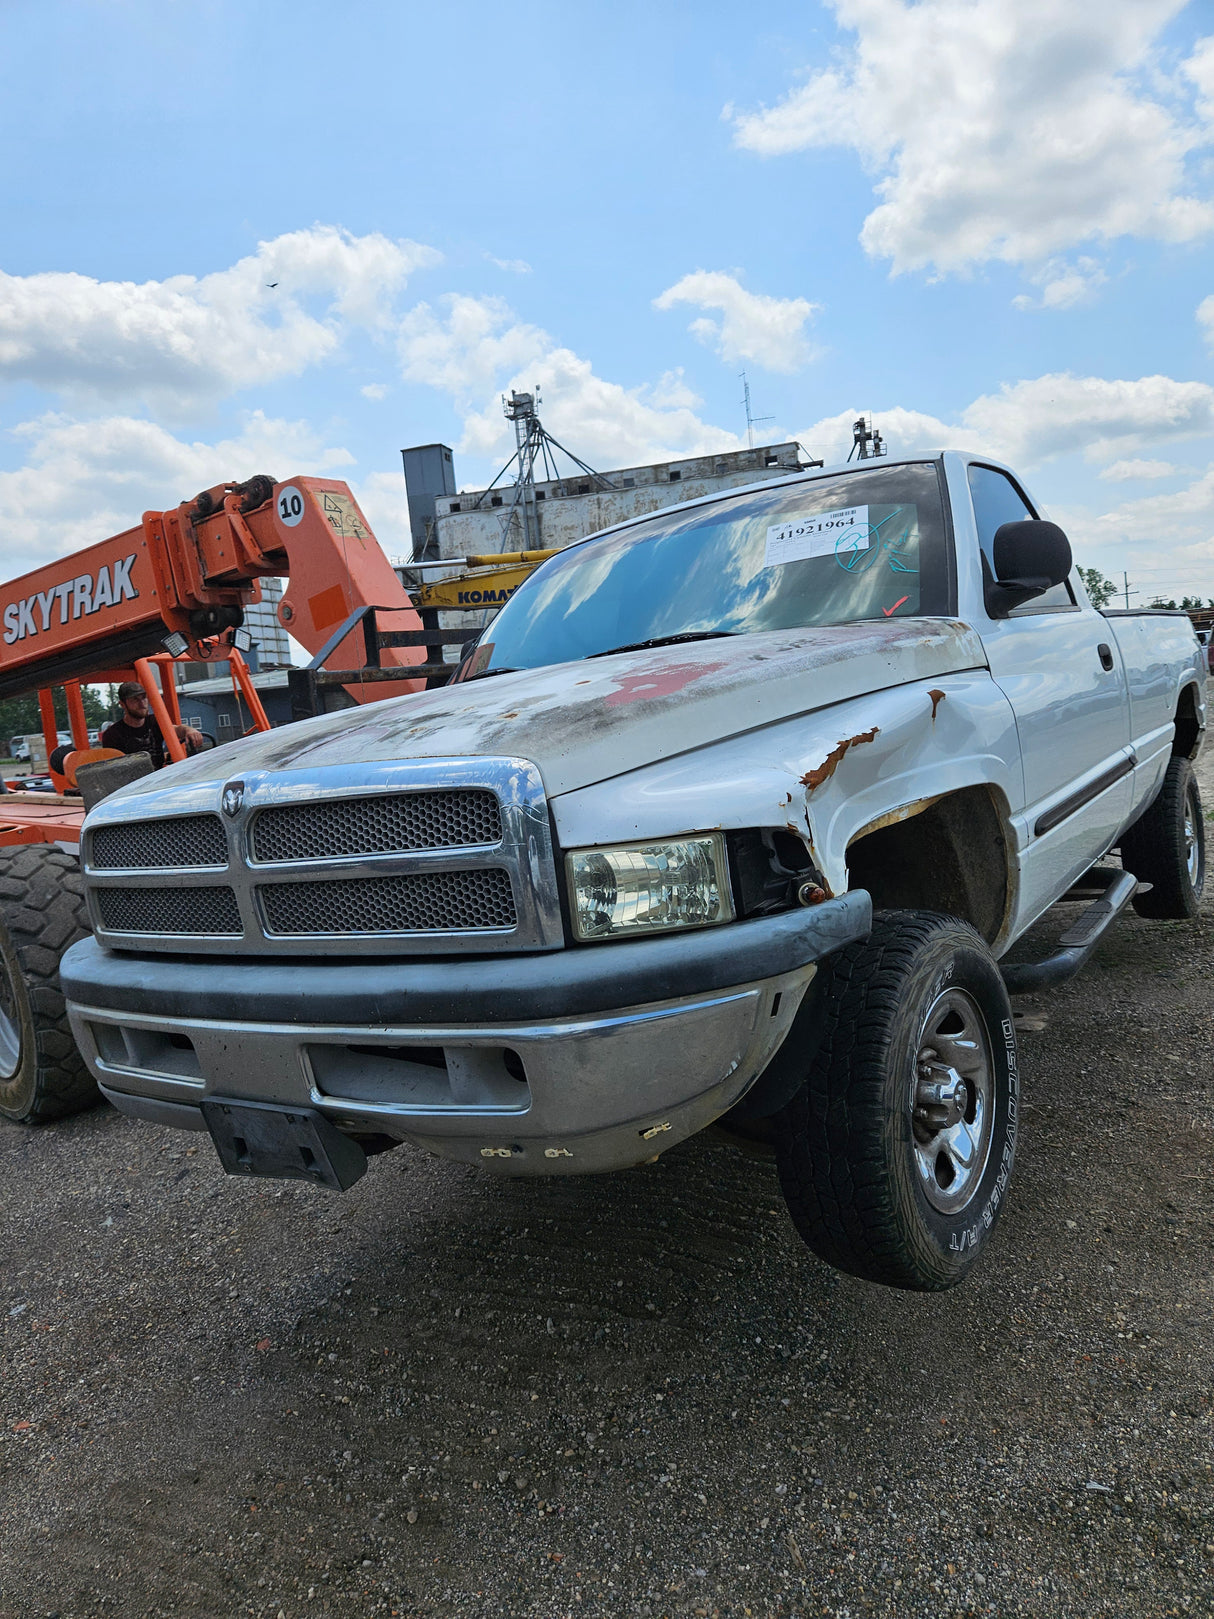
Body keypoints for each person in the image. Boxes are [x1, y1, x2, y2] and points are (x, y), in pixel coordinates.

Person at [100, 682, 203, 769]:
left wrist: (188, 730)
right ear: (122, 704)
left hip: (159, 778)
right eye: (135, 699)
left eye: (144, 698)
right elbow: (113, 770)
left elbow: (174, 730)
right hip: (133, 786)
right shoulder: (112, 735)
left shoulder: (155, 721)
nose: (142, 703)